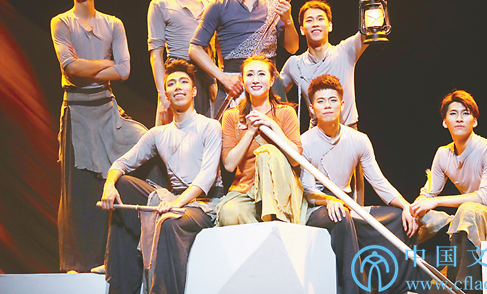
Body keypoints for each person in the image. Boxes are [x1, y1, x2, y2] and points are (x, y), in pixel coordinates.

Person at [51, 0, 147, 272]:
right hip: (78, 110)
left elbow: (124, 70)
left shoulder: (113, 24)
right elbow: (70, 67)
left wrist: (90, 67)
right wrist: (106, 64)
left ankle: (130, 249)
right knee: (80, 191)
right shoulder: (61, 23)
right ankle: (80, 263)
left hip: (107, 109)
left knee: (146, 142)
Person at [99, 60, 223, 294]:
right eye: (171, 83)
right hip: (172, 198)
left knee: (169, 222)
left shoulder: (210, 126)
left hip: (204, 204)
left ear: (194, 91)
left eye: (183, 82)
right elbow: (122, 163)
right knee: (122, 184)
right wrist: (109, 185)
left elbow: (206, 178)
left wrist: (178, 203)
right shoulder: (158, 133)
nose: (178, 87)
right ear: (166, 94)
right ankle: (122, 286)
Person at [302, 74, 423, 294]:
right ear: (312, 108)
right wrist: (329, 201)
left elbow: (378, 181)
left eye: (332, 100)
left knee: (399, 218)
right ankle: (353, 289)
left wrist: (406, 206)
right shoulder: (305, 142)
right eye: (320, 101)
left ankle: (399, 288)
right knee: (340, 216)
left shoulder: (359, 139)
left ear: (342, 104)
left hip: (348, 205)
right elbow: (309, 192)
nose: (327, 105)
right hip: (318, 208)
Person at [410, 90, 487, 290]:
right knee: (419, 216)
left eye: (466, 113)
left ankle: (463, 286)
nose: (459, 119)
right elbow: (427, 194)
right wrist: (411, 210)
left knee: (468, 209)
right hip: (467, 220)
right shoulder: (443, 154)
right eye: (453, 114)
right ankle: (408, 279)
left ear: (475, 121)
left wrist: (436, 201)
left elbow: (484, 198)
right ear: (445, 122)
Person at [189, 0, 299, 108]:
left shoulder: (274, 2)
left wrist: (288, 20)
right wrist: (224, 78)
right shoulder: (219, 4)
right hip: (235, 86)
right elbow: (194, 49)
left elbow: (293, 48)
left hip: (269, 84)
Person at [280, 0, 384, 129]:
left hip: (348, 131)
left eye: (320, 19)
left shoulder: (345, 51)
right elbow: (273, 92)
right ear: (302, 29)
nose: (315, 24)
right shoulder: (294, 64)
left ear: (330, 26)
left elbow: (374, 26)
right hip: (316, 135)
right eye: (309, 20)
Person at [216, 55, 305, 226]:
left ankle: (273, 221)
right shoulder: (232, 116)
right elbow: (229, 165)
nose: (255, 80)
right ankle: (265, 232)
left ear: (271, 81)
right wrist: (250, 132)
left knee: (267, 152)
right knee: (229, 213)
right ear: (243, 80)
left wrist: (272, 125)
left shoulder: (285, 112)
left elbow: (295, 160)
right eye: (250, 75)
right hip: (246, 191)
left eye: (261, 74)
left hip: (279, 190)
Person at [148, 0, 215, 125]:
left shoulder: (212, 5)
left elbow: (218, 51)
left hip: (205, 79)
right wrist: (163, 94)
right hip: (177, 77)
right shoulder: (161, 4)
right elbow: (156, 55)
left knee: (208, 132)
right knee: (174, 135)